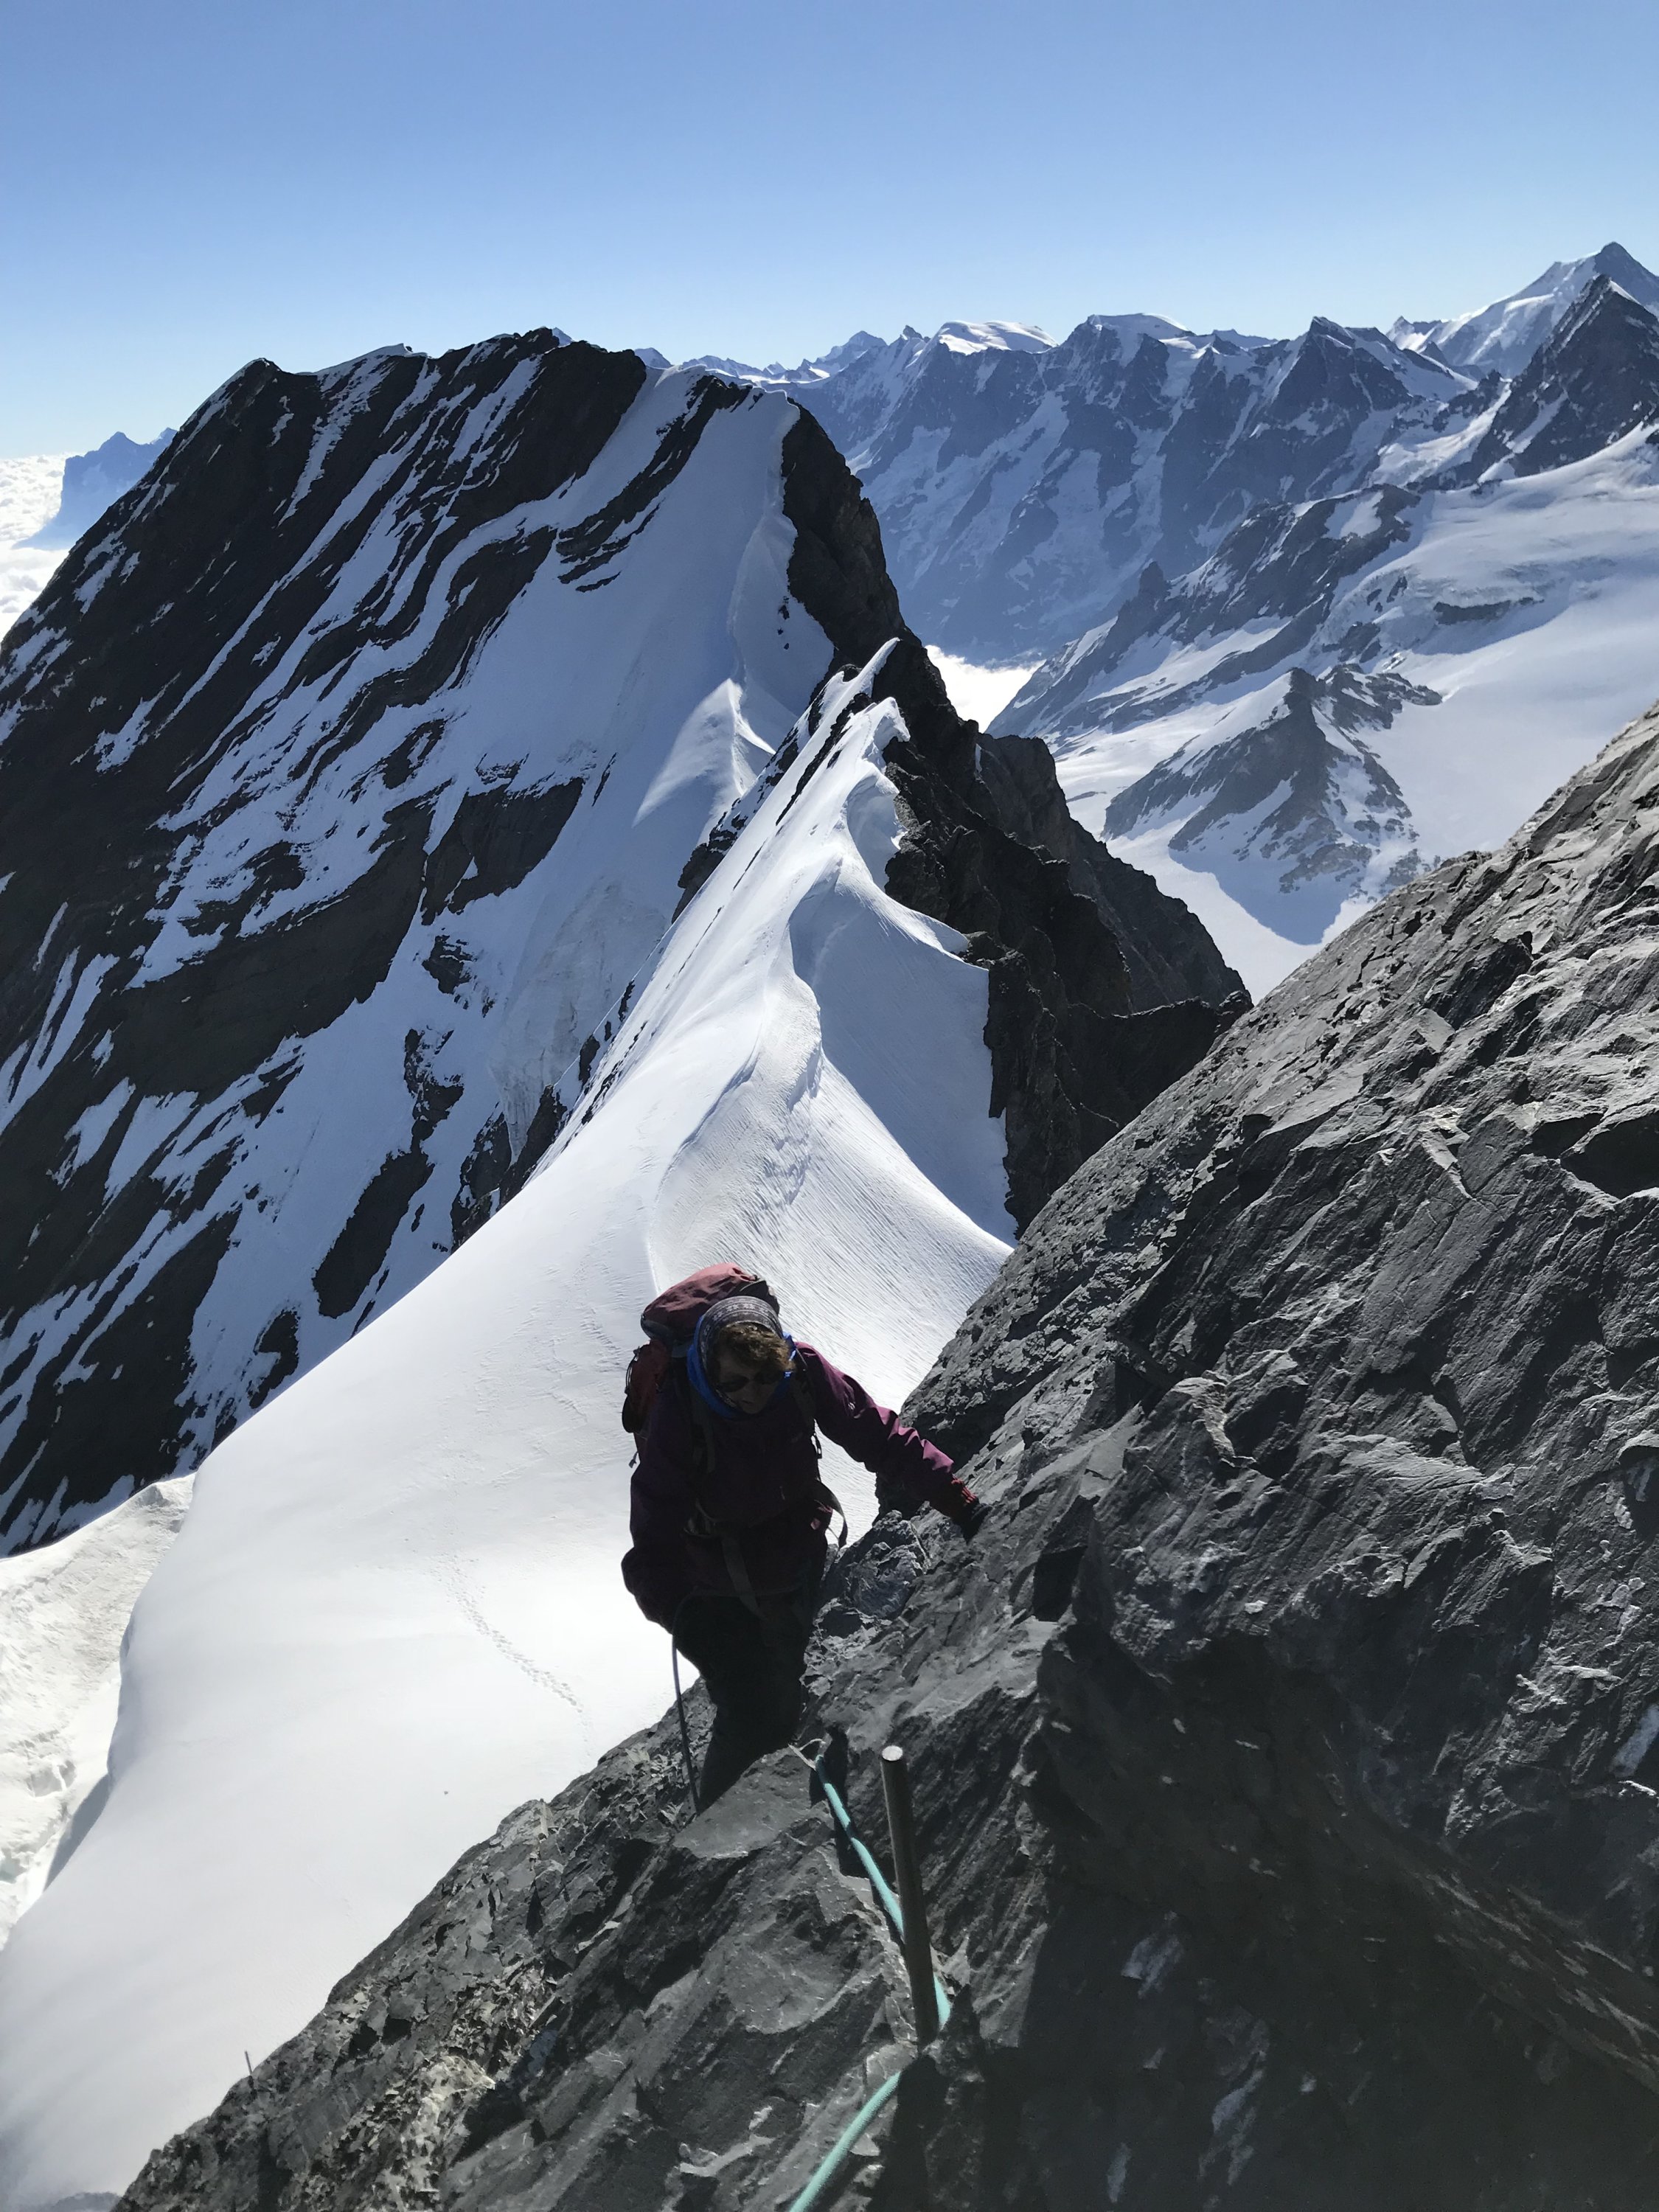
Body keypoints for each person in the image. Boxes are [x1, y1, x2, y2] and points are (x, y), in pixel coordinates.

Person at [622, 1289, 986, 1805]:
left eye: (767, 1376)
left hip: (795, 1554)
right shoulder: (680, 1412)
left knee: (784, 1692)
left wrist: (958, 1501)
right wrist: (686, 1617)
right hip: (716, 1588)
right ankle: (711, 1836)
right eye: (735, 1383)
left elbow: (877, 1434)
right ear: (709, 1372)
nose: (753, 1393)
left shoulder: (803, 1371)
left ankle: (773, 1802)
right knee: (747, 1708)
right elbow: (652, 1536)